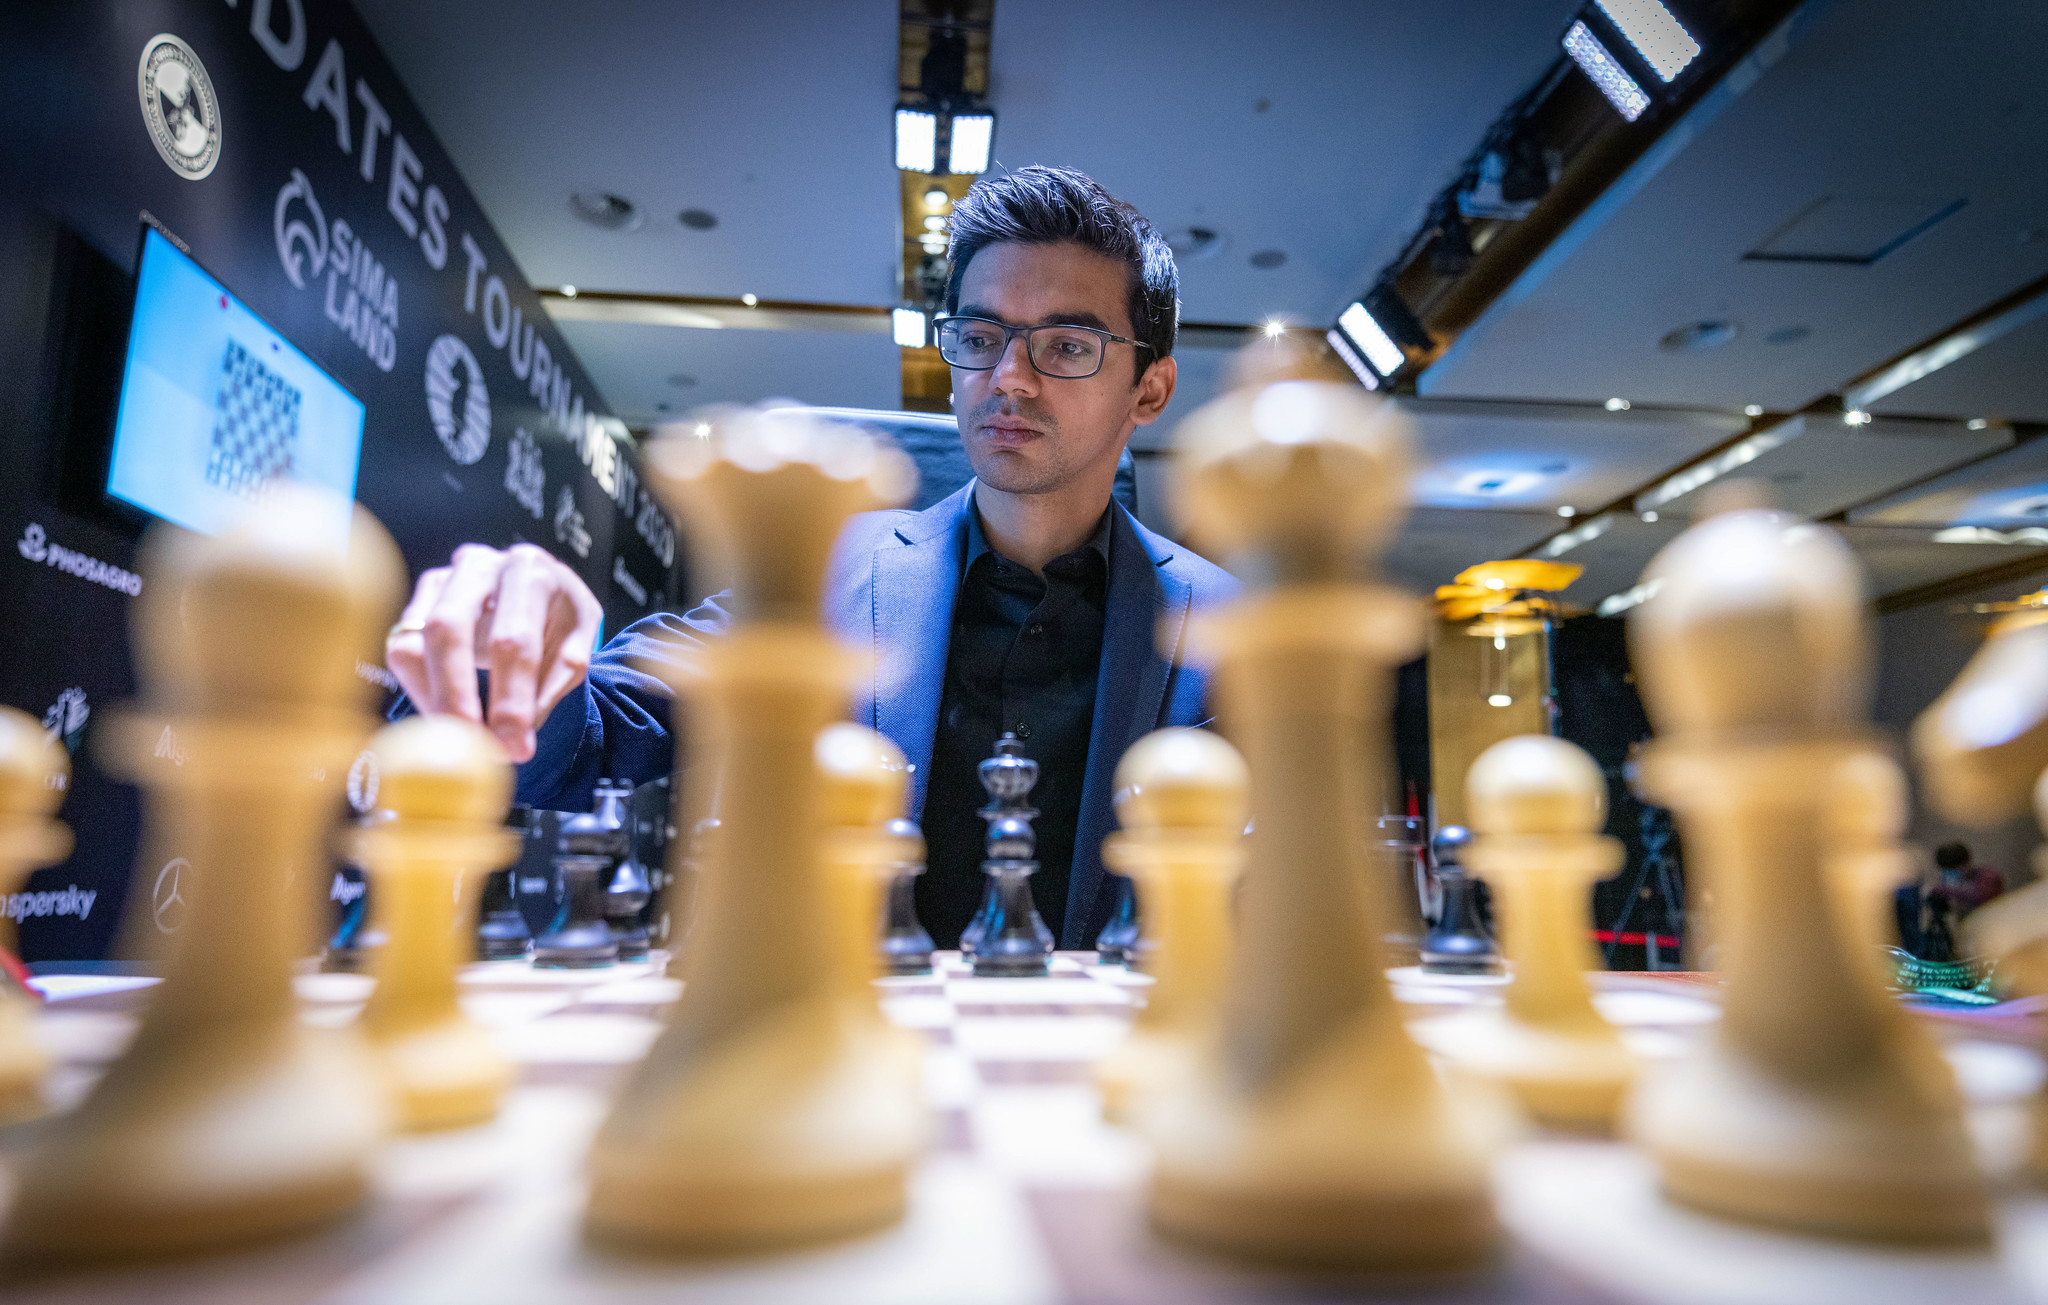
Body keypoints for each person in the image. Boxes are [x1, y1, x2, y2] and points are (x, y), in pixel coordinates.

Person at [384, 166, 1238, 950]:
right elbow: (590, 738)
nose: (1009, 377)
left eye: (1067, 346)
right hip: (839, 1048)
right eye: (981, 335)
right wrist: (510, 650)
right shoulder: (818, 573)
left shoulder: (1238, 625)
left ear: (1150, 389)